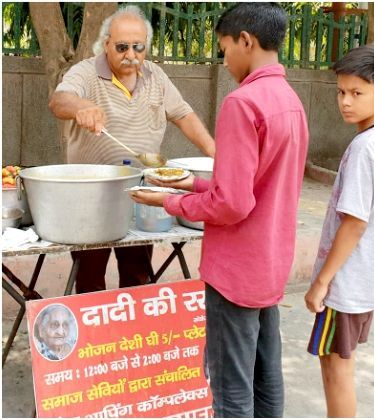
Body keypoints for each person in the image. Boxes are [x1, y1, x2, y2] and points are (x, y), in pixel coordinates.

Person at [130, 3, 308, 417]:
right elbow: (258, 185)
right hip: (269, 261)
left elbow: (233, 202)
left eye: (224, 49)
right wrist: (189, 182)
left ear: (246, 41)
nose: (224, 60)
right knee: (266, 376)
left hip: (236, 269)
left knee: (231, 389)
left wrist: (172, 202)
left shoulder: (242, 103)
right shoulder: (289, 100)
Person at [48, 5, 215, 295]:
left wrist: (216, 153)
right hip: (91, 196)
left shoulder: (156, 76)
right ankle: (94, 334)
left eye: (138, 47)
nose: (131, 55)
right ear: (106, 44)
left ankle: (133, 334)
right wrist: (81, 106)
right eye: (122, 46)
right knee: (89, 278)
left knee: (138, 275)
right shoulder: (85, 73)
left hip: (142, 192)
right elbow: (59, 101)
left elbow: (183, 115)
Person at [302, 43, 374, 418]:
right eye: (341, 92)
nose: (345, 101)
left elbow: (355, 222)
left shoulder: (366, 149)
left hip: (345, 284)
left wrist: (322, 281)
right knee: (337, 362)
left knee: (336, 367)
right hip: (362, 280)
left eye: (356, 93)